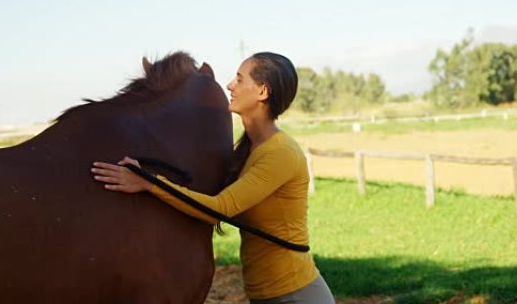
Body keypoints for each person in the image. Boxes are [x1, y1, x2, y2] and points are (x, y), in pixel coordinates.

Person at [91, 52, 335, 304]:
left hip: (296, 295)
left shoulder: (280, 153)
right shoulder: (250, 148)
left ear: (262, 91)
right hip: (271, 295)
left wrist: (149, 183)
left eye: (240, 80)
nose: (230, 85)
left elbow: (219, 209)